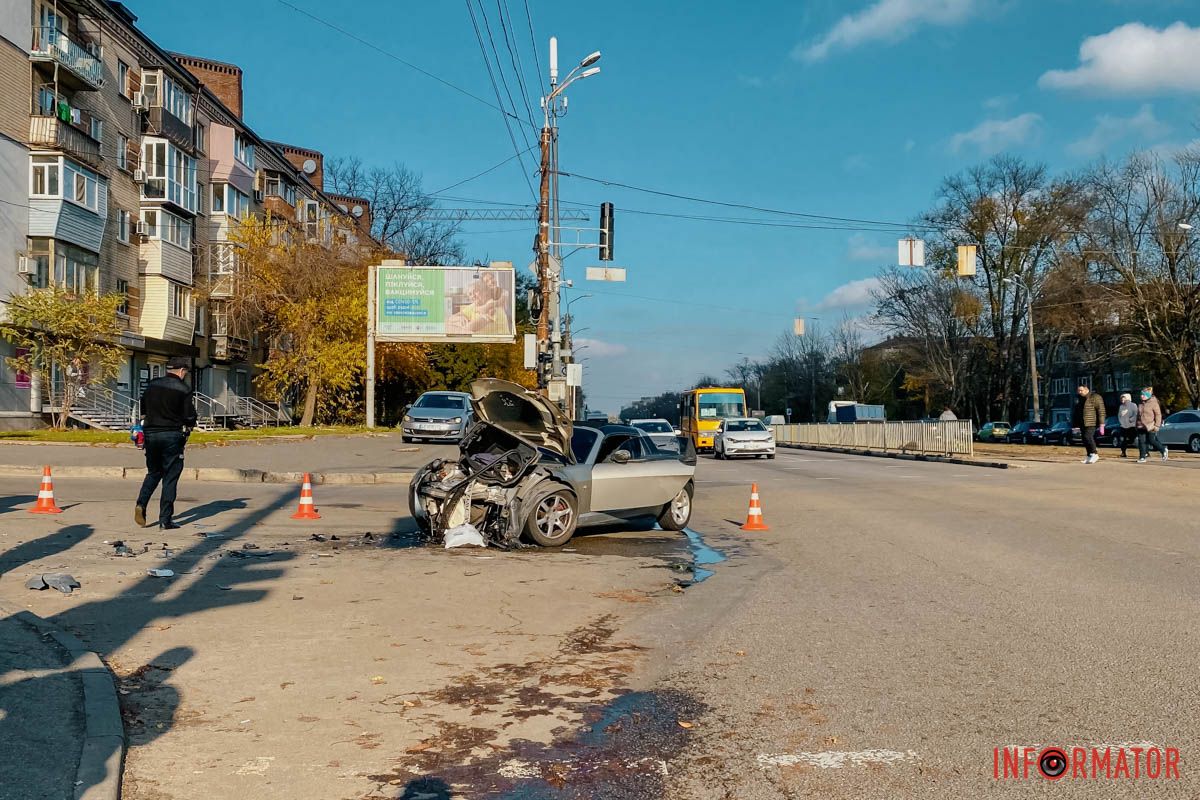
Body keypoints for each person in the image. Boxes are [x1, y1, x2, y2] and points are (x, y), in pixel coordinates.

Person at [135, 357, 197, 529]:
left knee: (153, 472)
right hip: (172, 435)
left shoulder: (153, 385)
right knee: (170, 477)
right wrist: (190, 425)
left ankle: (141, 504)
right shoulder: (183, 389)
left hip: (151, 434)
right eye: (186, 372)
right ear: (182, 370)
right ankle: (165, 519)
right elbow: (188, 415)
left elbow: (143, 407)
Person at [1073, 384, 1106, 464]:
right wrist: (1075, 424)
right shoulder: (1079, 398)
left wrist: (1102, 423)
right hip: (1082, 422)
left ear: (1086, 389)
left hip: (1092, 422)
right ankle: (1089, 455)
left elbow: (1101, 410)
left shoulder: (1095, 397)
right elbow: (1077, 411)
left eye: (1081, 390)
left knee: (1088, 437)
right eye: (1078, 390)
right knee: (1084, 439)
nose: (1080, 392)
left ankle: (1094, 453)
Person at [1136, 385, 1168, 464]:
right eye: (1141, 395)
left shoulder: (1153, 403)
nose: (1141, 396)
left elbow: (1158, 415)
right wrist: (1136, 424)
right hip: (1141, 425)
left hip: (1151, 425)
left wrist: (1157, 425)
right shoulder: (1140, 404)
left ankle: (1163, 449)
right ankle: (1142, 457)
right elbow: (1138, 415)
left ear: (1148, 396)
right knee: (1141, 441)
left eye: (1143, 395)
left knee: (1151, 440)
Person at [1117, 392, 1138, 458]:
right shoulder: (1121, 406)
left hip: (1131, 426)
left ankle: (1145, 452)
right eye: (1121, 399)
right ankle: (1123, 453)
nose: (1122, 400)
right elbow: (1119, 415)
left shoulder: (1133, 405)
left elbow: (1136, 414)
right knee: (1122, 439)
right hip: (1123, 426)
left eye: (1124, 398)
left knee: (1133, 439)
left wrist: (1131, 420)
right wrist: (1121, 422)